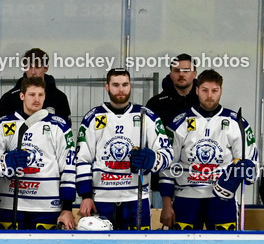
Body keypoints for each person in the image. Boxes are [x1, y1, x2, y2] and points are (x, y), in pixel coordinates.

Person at [160, 69, 258, 230]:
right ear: (197, 90)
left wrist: (245, 170)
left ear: (221, 91)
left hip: (222, 200)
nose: (209, 95)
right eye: (205, 90)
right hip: (186, 198)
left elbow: (251, 167)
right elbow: (167, 166)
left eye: (214, 90)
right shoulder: (179, 122)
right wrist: (166, 204)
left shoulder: (236, 123)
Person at [76, 69, 172, 230]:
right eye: (115, 85)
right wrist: (85, 196)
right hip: (102, 198)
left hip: (136, 198)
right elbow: (82, 159)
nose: (121, 89)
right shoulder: (92, 117)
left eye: (125, 84)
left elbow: (167, 154)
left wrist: (152, 159)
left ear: (130, 86)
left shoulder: (146, 116)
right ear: (107, 87)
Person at [0, 77, 76, 230]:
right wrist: (4, 163)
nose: (37, 99)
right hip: (10, 205)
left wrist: (67, 208)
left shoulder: (59, 126)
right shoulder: (3, 125)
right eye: (31, 94)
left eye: (40, 95)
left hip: (47, 206)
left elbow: (68, 169)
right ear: (22, 96)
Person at [146, 53, 198, 201]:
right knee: (161, 222)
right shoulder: (155, 104)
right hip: (161, 184)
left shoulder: (204, 104)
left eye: (186, 70)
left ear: (194, 73)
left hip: (196, 182)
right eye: (177, 71)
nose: (181, 74)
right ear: (171, 73)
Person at [0, 47, 72, 125]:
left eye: (37, 67)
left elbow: (65, 129)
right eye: (29, 67)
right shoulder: (9, 98)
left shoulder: (59, 98)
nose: (33, 72)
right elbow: (0, 130)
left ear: (46, 68)